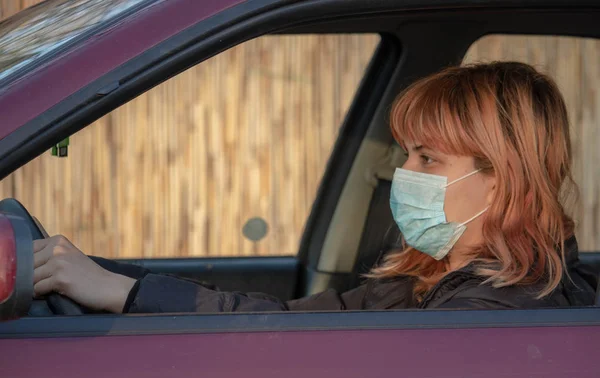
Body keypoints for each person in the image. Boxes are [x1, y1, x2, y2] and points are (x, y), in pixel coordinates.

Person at [32, 61, 597, 313]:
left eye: (429, 158)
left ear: (500, 183)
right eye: (407, 154)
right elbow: (284, 319)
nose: (404, 175)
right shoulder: (424, 281)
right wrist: (111, 279)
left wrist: (124, 294)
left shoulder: (490, 316)